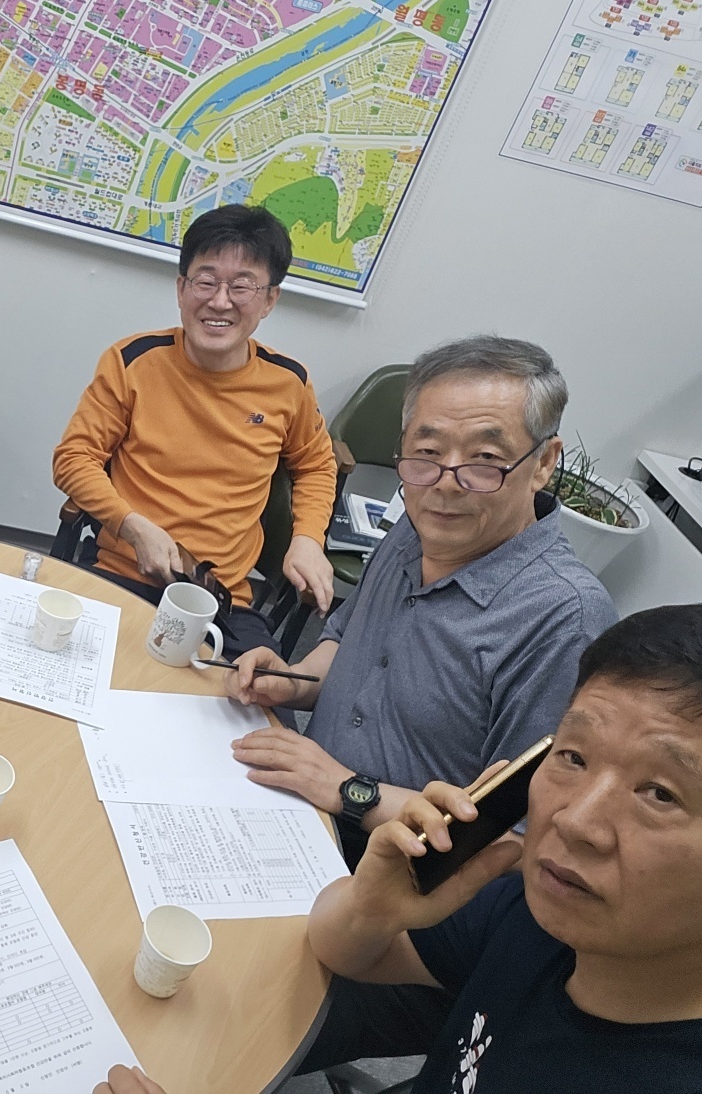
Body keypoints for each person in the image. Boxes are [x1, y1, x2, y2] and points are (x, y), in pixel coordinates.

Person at [306, 604, 702, 1092]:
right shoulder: (537, 918)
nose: (574, 821)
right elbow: (344, 951)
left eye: (660, 793)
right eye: (574, 757)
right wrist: (372, 909)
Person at [225, 336, 616, 864]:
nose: (446, 484)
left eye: (485, 460)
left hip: (388, 871)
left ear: (544, 462)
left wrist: (347, 790)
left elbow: (518, 840)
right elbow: (347, 641)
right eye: (427, 453)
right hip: (292, 804)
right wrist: (292, 681)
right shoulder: (421, 524)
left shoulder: (565, 620)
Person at [52, 204, 337, 657]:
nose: (220, 301)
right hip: (120, 573)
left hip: (221, 601)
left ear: (269, 299)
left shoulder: (288, 383)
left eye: (242, 286)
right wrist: (132, 527)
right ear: (182, 288)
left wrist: (307, 540)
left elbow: (317, 465)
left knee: (261, 696)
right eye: (206, 281)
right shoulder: (132, 361)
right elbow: (73, 459)